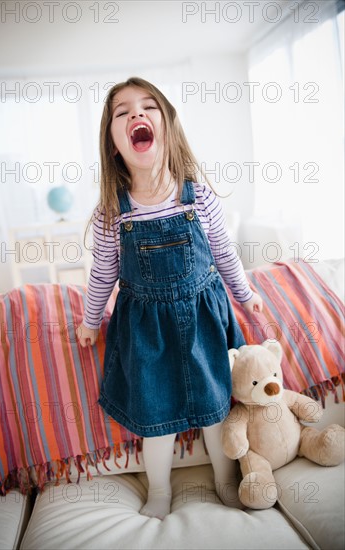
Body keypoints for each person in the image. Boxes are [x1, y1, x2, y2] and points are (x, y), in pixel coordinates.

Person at [77, 77, 263, 520]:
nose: (136, 115)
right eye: (122, 113)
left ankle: (224, 480)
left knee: (214, 409)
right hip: (145, 329)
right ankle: (158, 490)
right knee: (153, 414)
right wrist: (89, 321)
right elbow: (103, 272)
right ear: (114, 143)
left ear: (167, 125)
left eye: (148, 107)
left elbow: (223, 251)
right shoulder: (112, 211)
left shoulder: (196, 197)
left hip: (202, 317)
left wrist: (245, 292)